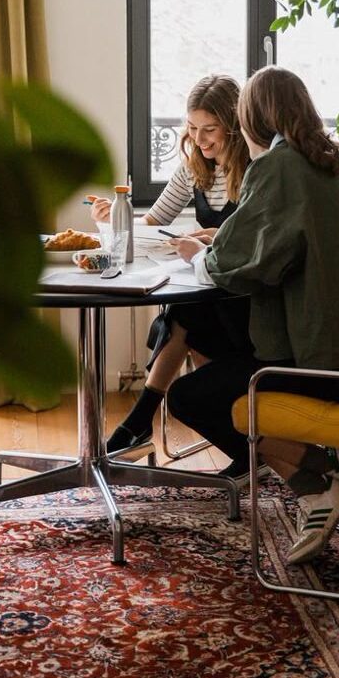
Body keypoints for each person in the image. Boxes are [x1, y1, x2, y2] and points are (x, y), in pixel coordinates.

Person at [167, 66, 339, 565]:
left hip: (335, 365)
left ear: (252, 117)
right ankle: (318, 461)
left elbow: (227, 265)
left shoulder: (279, 167)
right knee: (214, 326)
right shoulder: (322, 160)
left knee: (189, 396)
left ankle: (314, 477)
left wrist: (194, 252)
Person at [91, 74, 254, 465]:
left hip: (246, 296)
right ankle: (226, 439)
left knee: (185, 314)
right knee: (185, 311)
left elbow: (254, 241)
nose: (200, 139)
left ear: (233, 127)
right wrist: (116, 218)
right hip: (211, 288)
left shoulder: (254, 170)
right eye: (193, 128)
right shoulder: (193, 168)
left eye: (210, 129)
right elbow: (155, 221)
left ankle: (139, 420)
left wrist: (218, 238)